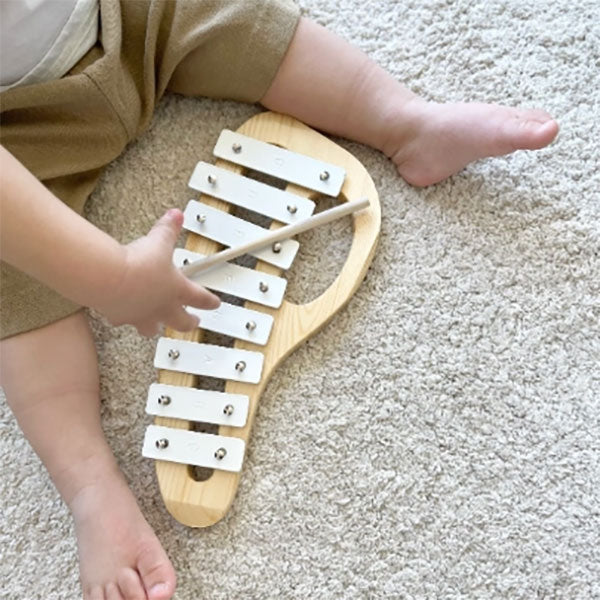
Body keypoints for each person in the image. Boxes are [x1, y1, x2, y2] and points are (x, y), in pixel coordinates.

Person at [0, 1, 559, 599]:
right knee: (14, 279)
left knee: (235, 18)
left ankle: (405, 121)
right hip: (17, 134)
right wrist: (111, 278)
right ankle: (91, 487)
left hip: (122, 12)